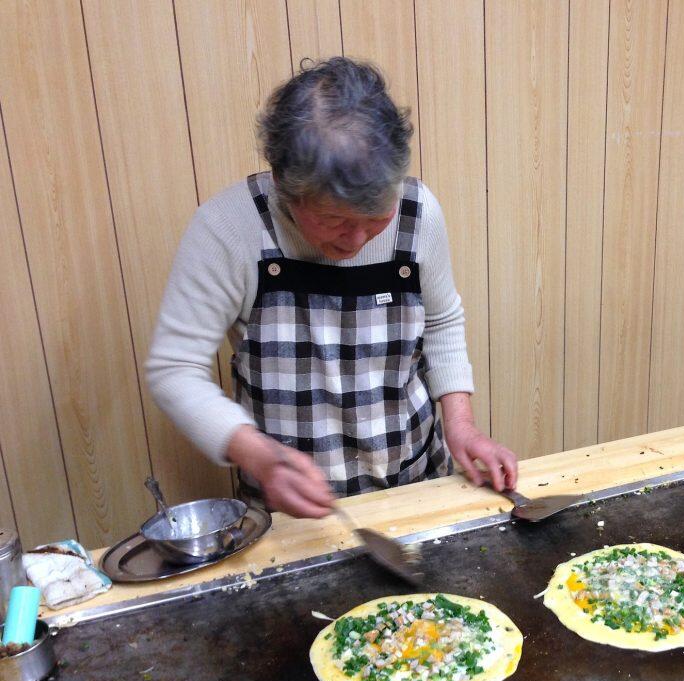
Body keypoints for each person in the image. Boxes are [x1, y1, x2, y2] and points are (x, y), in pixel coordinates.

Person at [146, 57, 517, 519]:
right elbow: (174, 369)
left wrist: (461, 425)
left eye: (376, 218)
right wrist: (259, 454)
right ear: (284, 185)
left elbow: (440, 320)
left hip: (416, 487)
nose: (357, 240)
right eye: (333, 220)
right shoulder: (229, 228)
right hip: (293, 514)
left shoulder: (419, 213)